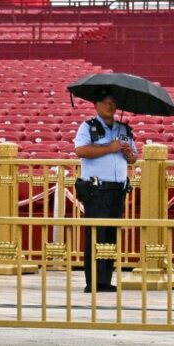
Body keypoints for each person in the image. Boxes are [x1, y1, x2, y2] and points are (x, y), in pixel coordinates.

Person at [72, 89, 137, 293]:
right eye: (105, 103)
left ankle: (105, 279)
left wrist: (128, 152)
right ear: (96, 105)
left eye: (112, 103)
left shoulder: (124, 129)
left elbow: (134, 158)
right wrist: (110, 147)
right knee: (96, 234)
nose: (110, 106)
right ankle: (93, 281)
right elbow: (81, 150)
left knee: (110, 235)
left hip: (118, 189)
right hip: (97, 189)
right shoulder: (88, 127)